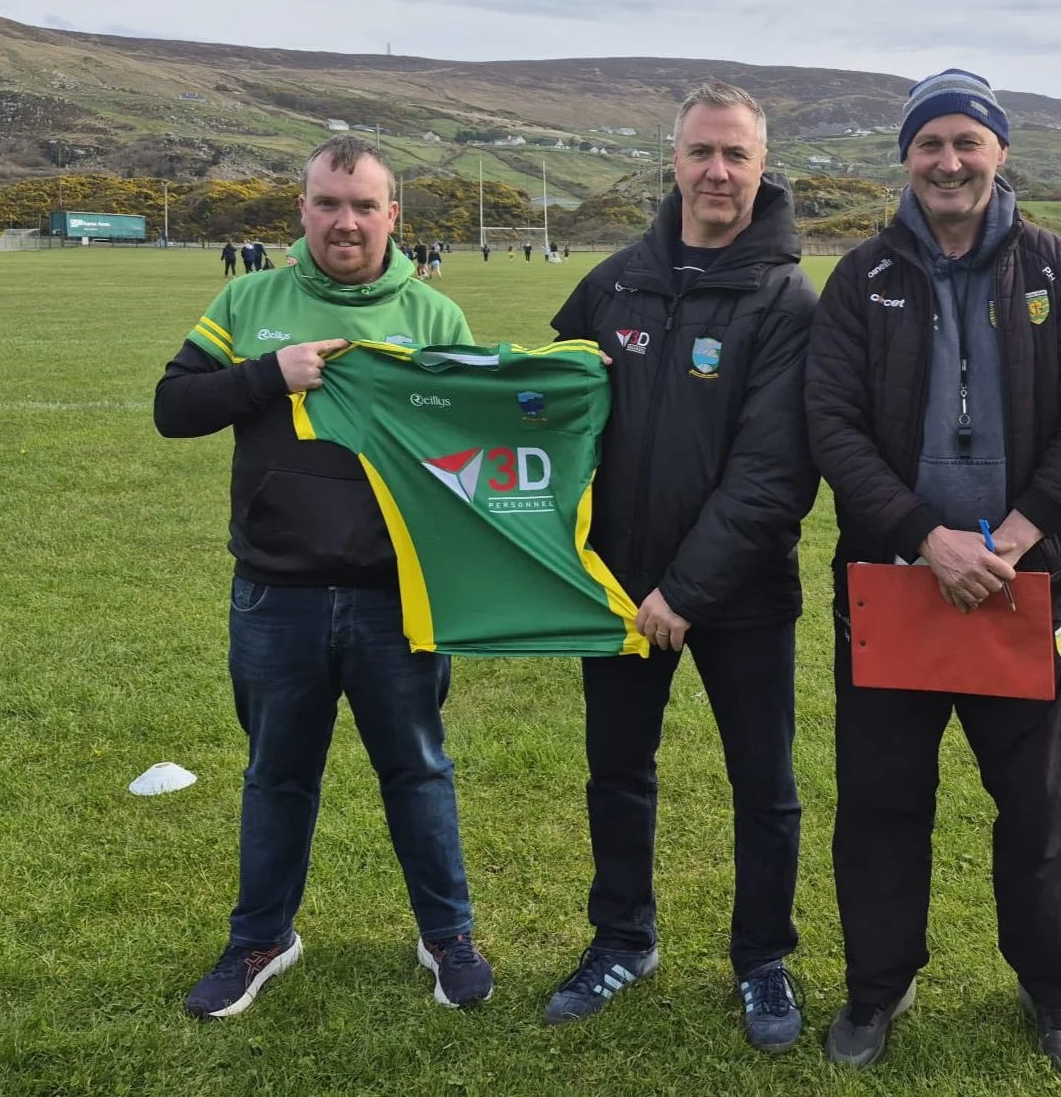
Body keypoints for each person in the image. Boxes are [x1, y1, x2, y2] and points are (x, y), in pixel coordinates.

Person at [805, 68, 1061, 1078]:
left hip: (1021, 590)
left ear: (998, 153)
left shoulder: (1052, 269)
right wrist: (919, 536)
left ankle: (1049, 989)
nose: (948, 161)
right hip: (890, 588)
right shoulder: (860, 276)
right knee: (880, 802)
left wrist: (1018, 535)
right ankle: (877, 986)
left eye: (966, 142)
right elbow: (830, 423)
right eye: (930, 143)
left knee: (1035, 808)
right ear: (905, 157)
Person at [154, 136, 493, 1021]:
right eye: (328, 203)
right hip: (277, 592)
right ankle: (261, 938)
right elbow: (172, 407)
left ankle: (446, 934)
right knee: (277, 773)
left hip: (396, 596)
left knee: (417, 768)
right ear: (301, 209)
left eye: (363, 205)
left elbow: (477, 454)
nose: (345, 221)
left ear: (394, 217)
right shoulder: (250, 297)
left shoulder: (433, 317)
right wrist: (267, 373)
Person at [545, 81, 820, 1052]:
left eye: (735, 155)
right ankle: (622, 939)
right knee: (616, 772)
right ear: (673, 159)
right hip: (616, 595)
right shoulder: (613, 283)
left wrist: (686, 591)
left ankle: (761, 961)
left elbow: (773, 471)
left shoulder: (786, 298)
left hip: (739, 596)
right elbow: (547, 418)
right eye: (701, 152)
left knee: (765, 785)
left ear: (760, 166)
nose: (717, 171)